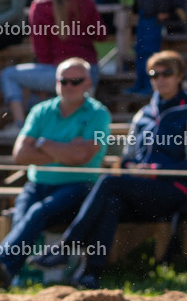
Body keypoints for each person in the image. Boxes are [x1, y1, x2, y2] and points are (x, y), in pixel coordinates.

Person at [30, 51, 187, 288]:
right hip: (140, 189)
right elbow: (127, 159)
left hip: (174, 191)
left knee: (108, 182)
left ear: (180, 77)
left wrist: (154, 169)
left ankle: (66, 247)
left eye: (167, 73)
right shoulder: (143, 115)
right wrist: (133, 167)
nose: (160, 79)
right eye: (154, 74)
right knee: (111, 200)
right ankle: (90, 274)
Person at [0, 58, 110, 288]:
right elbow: (21, 155)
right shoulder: (42, 110)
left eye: (76, 81)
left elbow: (82, 157)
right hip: (37, 184)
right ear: (55, 82)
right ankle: (3, 274)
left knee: (35, 214)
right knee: (24, 216)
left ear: (88, 83)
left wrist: (43, 144)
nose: (69, 86)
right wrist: (65, 151)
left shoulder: (98, 113)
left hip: (79, 187)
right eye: (64, 81)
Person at [0, 0, 106, 134]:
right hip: (89, 72)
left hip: (58, 74)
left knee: (8, 75)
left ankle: (19, 126)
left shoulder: (40, 6)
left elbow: (42, 52)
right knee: (35, 96)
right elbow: (101, 35)